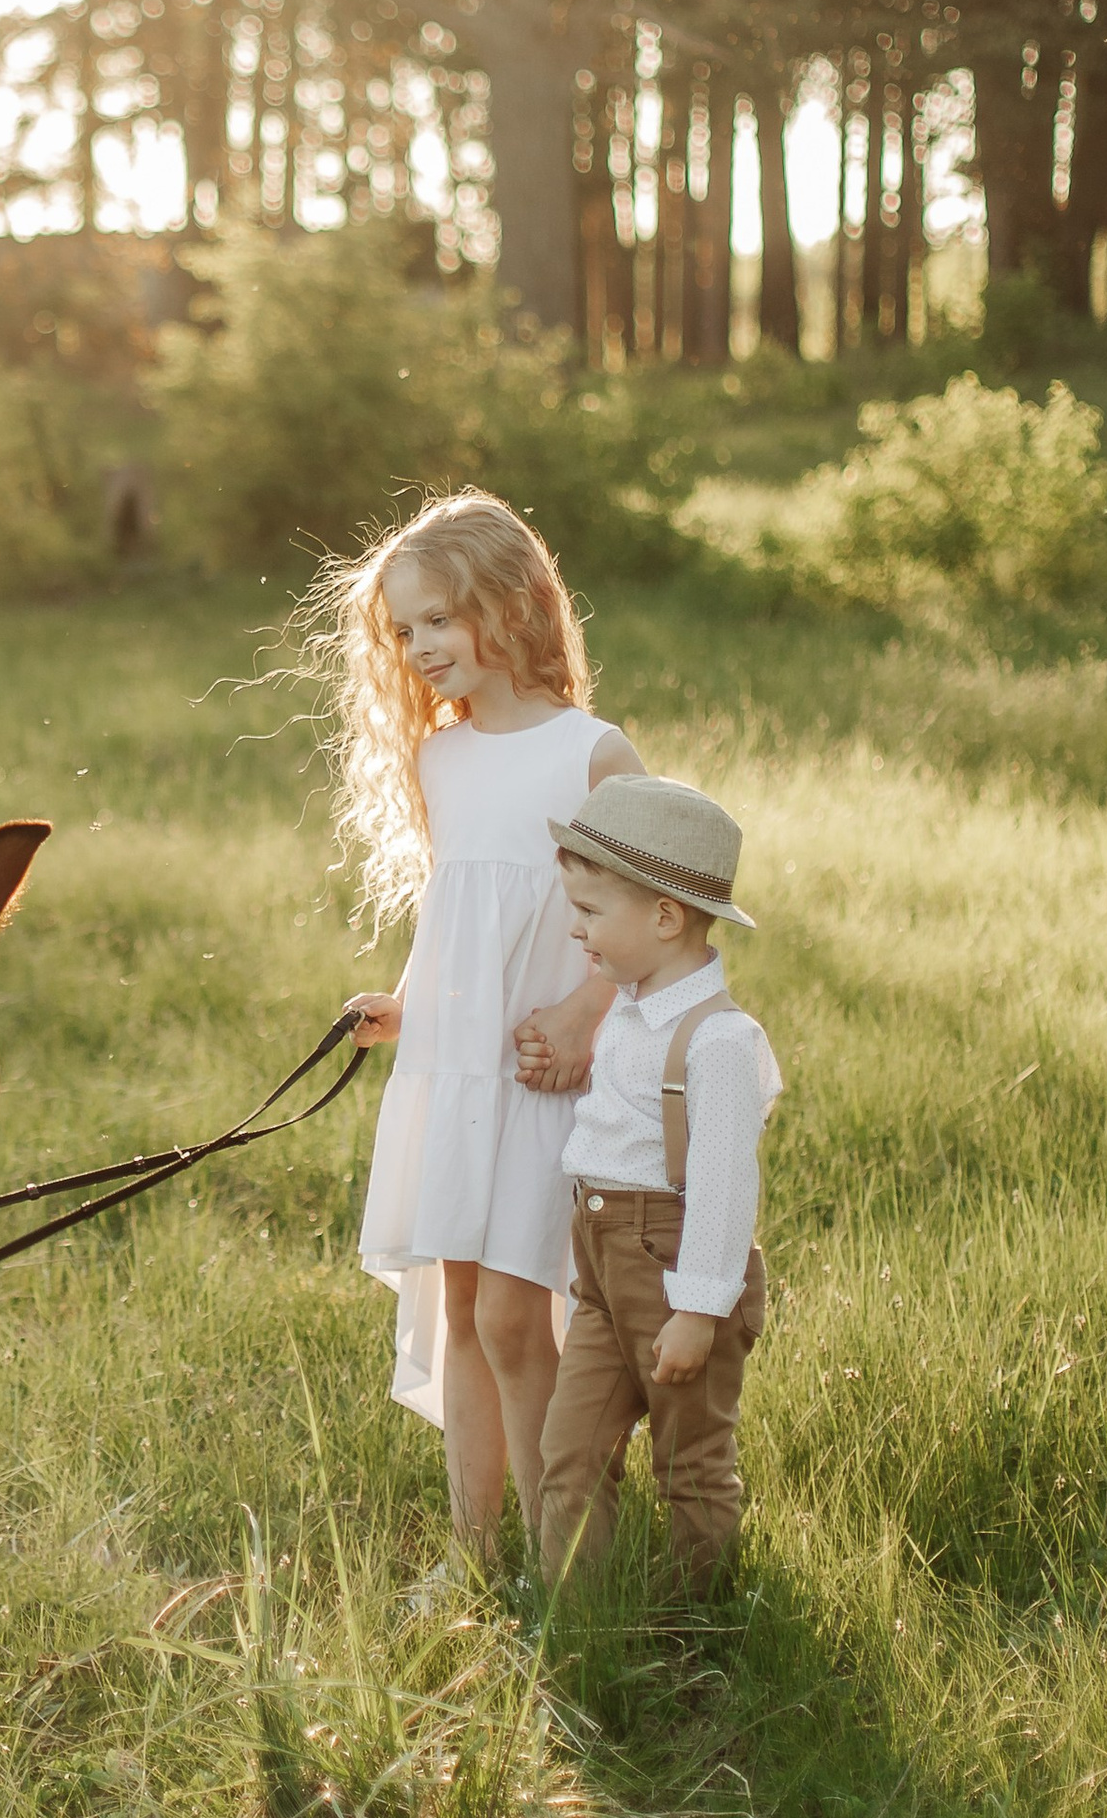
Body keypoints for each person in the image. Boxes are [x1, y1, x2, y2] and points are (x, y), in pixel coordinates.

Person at [320, 491, 642, 1559]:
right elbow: (457, 910)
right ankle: (478, 1552)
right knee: (460, 1312)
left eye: (437, 623)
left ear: (509, 606)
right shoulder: (441, 760)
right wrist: (403, 1006)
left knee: (516, 1316)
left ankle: (573, 1559)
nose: (417, 649)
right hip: (452, 1072)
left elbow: (648, 921)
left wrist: (588, 1009)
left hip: (544, 1070)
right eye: (402, 632)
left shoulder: (592, 755)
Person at [536, 777, 782, 1590]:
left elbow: (720, 1184)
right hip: (603, 1264)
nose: (577, 931)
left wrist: (698, 1310)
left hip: (677, 1269)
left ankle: (693, 1633)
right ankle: (578, 1619)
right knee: (571, 1449)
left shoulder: (716, 1039)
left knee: (691, 1464)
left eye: (592, 913)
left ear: (666, 918)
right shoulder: (634, 1012)